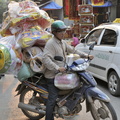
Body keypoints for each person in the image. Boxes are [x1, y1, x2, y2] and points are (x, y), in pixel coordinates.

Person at [42, 20, 94, 120]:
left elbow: (73, 50)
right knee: (52, 99)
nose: (63, 33)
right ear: (54, 32)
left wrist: (86, 55)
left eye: (64, 31)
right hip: (52, 76)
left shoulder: (62, 42)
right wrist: (57, 68)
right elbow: (45, 59)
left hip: (61, 74)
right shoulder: (51, 44)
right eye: (60, 31)